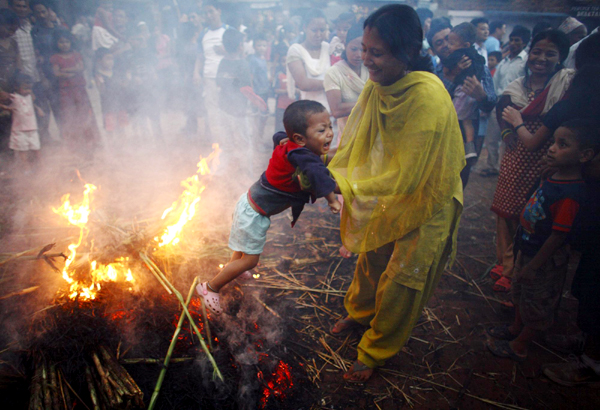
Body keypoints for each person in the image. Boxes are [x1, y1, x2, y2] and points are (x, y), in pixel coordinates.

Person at [327, 5, 464, 382]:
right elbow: (356, 138)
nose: (366, 59)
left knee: (402, 279)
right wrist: (326, 167)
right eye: (364, 48)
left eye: (377, 52)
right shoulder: (380, 84)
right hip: (392, 187)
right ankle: (359, 316)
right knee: (371, 254)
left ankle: (376, 349)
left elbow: (408, 177)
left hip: (429, 198)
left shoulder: (428, 98)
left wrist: (344, 183)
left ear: (406, 52)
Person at [196, 100, 341, 314]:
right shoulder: (302, 156)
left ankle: (233, 270)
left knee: (241, 250)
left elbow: (278, 136)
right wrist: (332, 200)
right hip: (254, 213)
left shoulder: (291, 146)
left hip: (248, 204)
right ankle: (210, 288)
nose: (329, 133)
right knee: (251, 260)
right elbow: (320, 176)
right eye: (322, 130)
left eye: (330, 126)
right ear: (300, 138)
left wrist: (282, 139)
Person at [486, 119, 598, 362]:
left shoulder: (571, 194)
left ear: (585, 155)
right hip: (528, 249)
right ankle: (515, 327)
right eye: (554, 141)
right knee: (520, 293)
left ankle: (521, 344)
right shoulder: (552, 177)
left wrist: (534, 265)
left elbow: (558, 236)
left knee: (538, 302)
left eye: (562, 144)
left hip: (543, 259)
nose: (551, 148)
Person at [489, 30, 573, 293]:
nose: (541, 58)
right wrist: (506, 132)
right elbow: (501, 110)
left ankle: (515, 269)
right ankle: (505, 263)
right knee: (506, 211)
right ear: (529, 53)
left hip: (544, 159)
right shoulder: (517, 85)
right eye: (537, 51)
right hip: (516, 156)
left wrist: (519, 124)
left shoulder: (564, 86)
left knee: (532, 216)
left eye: (550, 54)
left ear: (560, 58)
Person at [428, 17, 497, 186]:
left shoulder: (478, 66)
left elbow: (491, 101)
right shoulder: (431, 72)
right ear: (433, 49)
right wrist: (452, 77)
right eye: (439, 43)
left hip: (466, 138)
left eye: (448, 39)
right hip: (436, 138)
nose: (446, 45)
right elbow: (430, 103)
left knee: (459, 183)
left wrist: (480, 95)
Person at [50, 29, 100, 153]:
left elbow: (81, 68)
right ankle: (75, 144)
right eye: (61, 42)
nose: (64, 44)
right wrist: (73, 70)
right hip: (66, 92)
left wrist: (65, 71)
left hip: (79, 90)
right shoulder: (55, 57)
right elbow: (57, 73)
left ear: (71, 42)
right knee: (70, 116)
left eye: (67, 42)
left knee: (84, 114)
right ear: (56, 43)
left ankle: (90, 141)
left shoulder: (77, 54)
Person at [442, 22, 486, 165]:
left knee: (453, 116)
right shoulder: (476, 55)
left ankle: (461, 145)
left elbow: (448, 63)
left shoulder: (459, 54)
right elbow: (482, 61)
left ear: (466, 44)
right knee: (467, 121)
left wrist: (447, 64)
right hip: (471, 92)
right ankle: (470, 147)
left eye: (452, 43)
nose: (448, 46)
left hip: (463, 90)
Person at [324, 23, 367, 144]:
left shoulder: (371, 69)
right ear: (345, 45)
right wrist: (371, 101)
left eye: (363, 50)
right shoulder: (334, 73)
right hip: (349, 140)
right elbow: (336, 110)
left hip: (374, 138)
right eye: (354, 49)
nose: (358, 54)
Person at [286, 8, 331, 111]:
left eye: (322, 30)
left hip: (331, 111)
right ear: (305, 28)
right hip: (307, 111)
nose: (318, 34)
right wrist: (334, 83)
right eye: (314, 30)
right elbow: (303, 84)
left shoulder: (329, 49)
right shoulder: (296, 50)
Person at [0, 73, 42, 173]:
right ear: (16, 87)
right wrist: (4, 107)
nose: (28, 90)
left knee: (36, 148)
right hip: (19, 130)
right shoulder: (14, 97)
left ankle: (41, 166)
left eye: (30, 88)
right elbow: (2, 97)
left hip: (32, 128)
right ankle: (26, 168)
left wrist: (38, 109)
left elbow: (32, 103)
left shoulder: (29, 97)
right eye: (25, 88)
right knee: (23, 151)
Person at [247, 32, 270, 139]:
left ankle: (259, 135)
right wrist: (252, 93)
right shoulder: (253, 60)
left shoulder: (263, 59)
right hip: (257, 92)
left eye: (264, 45)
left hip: (264, 91)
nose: (262, 48)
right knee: (257, 116)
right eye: (259, 45)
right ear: (254, 47)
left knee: (264, 115)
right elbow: (251, 76)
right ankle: (256, 137)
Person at [272, 43, 293, 133]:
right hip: (281, 106)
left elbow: (300, 90)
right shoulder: (279, 75)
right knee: (280, 127)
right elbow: (275, 90)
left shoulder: (295, 75)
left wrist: (295, 91)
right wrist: (287, 91)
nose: (285, 64)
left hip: (292, 106)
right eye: (283, 61)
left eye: (287, 61)